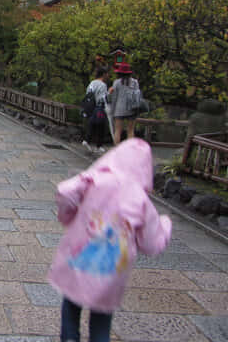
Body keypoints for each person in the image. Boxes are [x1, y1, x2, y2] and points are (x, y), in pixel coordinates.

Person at [48, 138, 172, 342]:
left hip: (80, 258)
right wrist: (165, 226)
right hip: (111, 270)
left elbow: (65, 191)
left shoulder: (95, 179)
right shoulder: (140, 199)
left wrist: (68, 215)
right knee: (101, 318)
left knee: (71, 304)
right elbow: (151, 244)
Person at [108, 62, 140, 146]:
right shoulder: (135, 82)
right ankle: (130, 150)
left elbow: (114, 97)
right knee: (130, 130)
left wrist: (112, 110)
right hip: (132, 108)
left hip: (119, 109)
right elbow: (137, 95)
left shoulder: (117, 82)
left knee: (118, 130)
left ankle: (117, 150)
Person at [82, 66, 109, 154]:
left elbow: (88, 93)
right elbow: (102, 98)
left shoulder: (92, 83)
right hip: (98, 107)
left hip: (89, 107)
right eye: (107, 74)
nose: (108, 75)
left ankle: (87, 140)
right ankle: (99, 146)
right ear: (104, 74)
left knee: (91, 123)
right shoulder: (103, 85)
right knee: (102, 125)